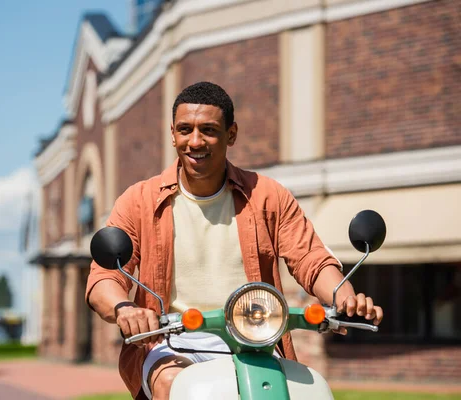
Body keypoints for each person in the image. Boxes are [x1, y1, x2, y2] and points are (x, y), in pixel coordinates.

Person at [86, 81, 383, 400]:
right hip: (173, 341)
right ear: (173, 133)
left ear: (231, 134)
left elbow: (311, 259)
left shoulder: (268, 195)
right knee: (173, 385)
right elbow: (104, 277)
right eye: (185, 129)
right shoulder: (138, 200)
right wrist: (125, 308)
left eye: (209, 130)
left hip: (257, 339)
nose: (195, 141)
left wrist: (344, 297)